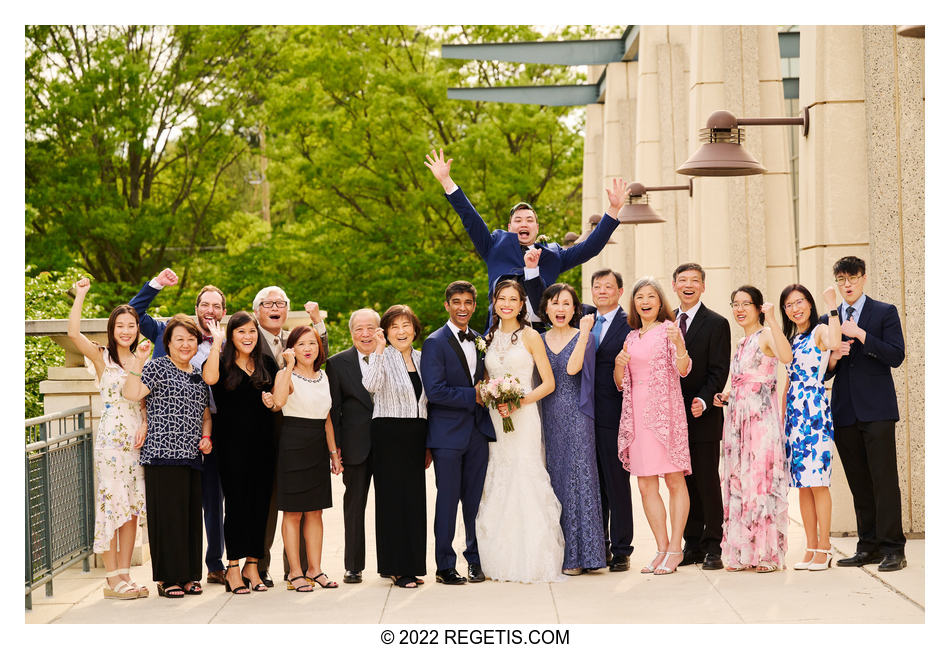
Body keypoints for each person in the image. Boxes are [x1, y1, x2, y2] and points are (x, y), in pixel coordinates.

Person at [424, 147, 627, 332]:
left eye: (529, 220)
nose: (524, 223)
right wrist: (446, 182)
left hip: (538, 336)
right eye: (518, 220)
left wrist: (613, 210)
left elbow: (589, 248)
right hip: (499, 333)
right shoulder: (494, 246)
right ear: (510, 227)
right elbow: (470, 218)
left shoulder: (553, 255)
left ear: (537, 228)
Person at [127, 268, 228, 585]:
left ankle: (212, 564)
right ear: (196, 306)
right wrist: (156, 283)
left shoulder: (226, 341)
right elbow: (134, 313)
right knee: (170, 509)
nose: (210, 310)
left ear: (223, 312)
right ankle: (169, 576)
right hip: (164, 440)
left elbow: (213, 384)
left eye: (216, 306)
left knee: (210, 502)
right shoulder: (165, 330)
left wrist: (208, 433)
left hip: (207, 431)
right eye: (205, 304)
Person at [475, 279, 565, 583]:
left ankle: (532, 557)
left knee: (524, 474)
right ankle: (497, 557)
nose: (507, 304)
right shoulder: (487, 337)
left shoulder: (531, 336)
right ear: (495, 303)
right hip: (495, 419)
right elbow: (485, 380)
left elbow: (548, 383)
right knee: (499, 476)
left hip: (523, 417)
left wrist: (519, 402)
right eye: (502, 298)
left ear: (522, 303)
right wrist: (489, 394)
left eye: (513, 299)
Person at [823, 257, 907, 572]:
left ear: (863, 278)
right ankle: (867, 546)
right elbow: (824, 374)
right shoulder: (827, 318)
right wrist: (832, 357)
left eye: (853, 278)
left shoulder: (884, 312)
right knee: (859, 483)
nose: (847, 284)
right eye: (841, 278)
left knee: (884, 481)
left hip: (878, 411)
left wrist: (861, 335)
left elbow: (896, 355)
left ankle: (893, 549)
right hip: (845, 412)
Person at [68, 278, 148, 599]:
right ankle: (111, 578)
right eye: (120, 326)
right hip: (111, 444)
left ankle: (125, 574)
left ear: (137, 329)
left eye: (131, 325)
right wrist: (81, 294)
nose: (126, 331)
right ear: (112, 329)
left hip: (135, 445)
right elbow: (73, 334)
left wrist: (144, 422)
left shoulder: (142, 357)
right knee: (111, 507)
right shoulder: (103, 357)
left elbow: (142, 400)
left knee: (130, 511)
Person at [122, 314, 212, 598]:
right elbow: (131, 393)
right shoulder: (157, 367)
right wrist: (138, 361)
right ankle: (166, 579)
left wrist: (206, 436)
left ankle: (187, 576)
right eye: (180, 340)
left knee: (188, 519)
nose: (186, 345)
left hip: (191, 456)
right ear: (169, 343)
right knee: (166, 518)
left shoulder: (199, 375)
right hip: (161, 454)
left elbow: (206, 415)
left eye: (191, 339)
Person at [614, 277, 691, 576]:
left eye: (650, 296)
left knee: (674, 480)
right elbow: (620, 383)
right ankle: (661, 547)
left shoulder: (669, 331)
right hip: (636, 417)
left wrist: (679, 343)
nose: (645, 301)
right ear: (634, 304)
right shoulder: (631, 337)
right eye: (639, 297)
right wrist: (619, 364)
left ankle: (675, 548)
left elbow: (684, 369)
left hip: (665, 416)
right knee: (646, 484)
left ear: (660, 301)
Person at [420, 281, 495, 586]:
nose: (462, 307)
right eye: (456, 302)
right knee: (448, 501)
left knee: (476, 502)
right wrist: (473, 396)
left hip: (477, 432)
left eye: (468, 302)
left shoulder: (480, 339)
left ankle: (475, 561)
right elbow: (435, 392)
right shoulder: (434, 342)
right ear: (447, 305)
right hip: (447, 436)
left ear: (474, 306)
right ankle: (444, 565)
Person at [713, 286, 792, 572]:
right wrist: (726, 396)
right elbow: (744, 383)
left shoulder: (766, 335)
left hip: (760, 424)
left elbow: (786, 356)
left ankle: (767, 554)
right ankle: (744, 551)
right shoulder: (741, 343)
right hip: (737, 422)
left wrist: (772, 319)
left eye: (746, 304)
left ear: (758, 307)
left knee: (761, 482)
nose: (740, 309)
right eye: (735, 304)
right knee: (739, 482)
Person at [253, 285, 328, 587]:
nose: (275, 308)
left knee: (303, 507)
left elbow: (317, 350)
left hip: (296, 435)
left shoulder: (293, 341)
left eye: (280, 303)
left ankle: (296, 569)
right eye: (268, 303)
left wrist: (316, 320)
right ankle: (258, 565)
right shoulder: (246, 336)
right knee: (268, 509)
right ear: (257, 309)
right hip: (260, 434)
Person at [202, 312, 278, 594]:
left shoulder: (266, 363)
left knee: (260, 505)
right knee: (236, 506)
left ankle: (252, 565)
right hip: (231, 446)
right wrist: (216, 342)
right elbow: (209, 378)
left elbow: (277, 399)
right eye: (241, 332)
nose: (248, 337)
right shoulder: (220, 363)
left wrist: (272, 402)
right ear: (231, 335)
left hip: (263, 444)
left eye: (252, 332)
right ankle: (232, 567)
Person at [538, 283, 605, 575]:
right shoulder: (537, 339)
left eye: (566, 303)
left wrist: (585, 333)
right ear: (546, 309)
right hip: (547, 415)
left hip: (578, 415)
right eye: (555, 303)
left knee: (580, 480)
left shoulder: (584, 337)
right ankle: (562, 552)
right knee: (556, 479)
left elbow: (572, 369)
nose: (560, 309)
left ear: (574, 308)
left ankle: (583, 556)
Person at [271, 326, 343, 591]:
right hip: (292, 443)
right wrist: (288, 366)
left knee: (315, 511)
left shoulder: (323, 376)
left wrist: (334, 453)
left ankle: (315, 569)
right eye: (301, 344)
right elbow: (278, 402)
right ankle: (295, 572)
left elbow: (326, 418)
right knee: (292, 513)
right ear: (292, 348)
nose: (308, 349)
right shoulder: (285, 374)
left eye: (312, 343)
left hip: (317, 445)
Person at [362, 305, 429, 589]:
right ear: (386, 332)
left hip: (416, 433)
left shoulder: (424, 358)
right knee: (392, 502)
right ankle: (395, 567)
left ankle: (413, 564)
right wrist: (378, 350)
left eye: (406, 325)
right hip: (389, 432)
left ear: (415, 328)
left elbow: (428, 400)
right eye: (394, 327)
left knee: (414, 502)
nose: (401, 331)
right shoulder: (379, 357)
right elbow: (370, 385)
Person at [670, 263, 731, 571]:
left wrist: (703, 400)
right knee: (684, 481)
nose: (689, 285)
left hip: (702, 415)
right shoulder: (666, 323)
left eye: (695, 280)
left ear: (703, 287)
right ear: (674, 285)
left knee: (707, 480)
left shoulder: (717, 323)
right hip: (671, 418)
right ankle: (691, 543)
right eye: (683, 280)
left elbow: (720, 370)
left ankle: (713, 545)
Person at [779, 283, 841, 571]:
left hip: (815, 412)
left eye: (799, 302)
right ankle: (810, 545)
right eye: (789, 305)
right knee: (802, 486)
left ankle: (825, 546)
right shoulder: (793, 339)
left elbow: (835, 342)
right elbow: (788, 382)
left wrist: (832, 308)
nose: (795, 308)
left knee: (818, 482)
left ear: (809, 304)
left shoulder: (819, 330)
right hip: (794, 415)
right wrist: (782, 421)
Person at [582, 269, 634, 571]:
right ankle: (597, 546)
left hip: (615, 412)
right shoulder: (584, 319)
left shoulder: (629, 324)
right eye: (597, 286)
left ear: (619, 290)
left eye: (608, 286)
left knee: (616, 481)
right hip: (584, 413)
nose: (602, 291)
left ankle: (622, 548)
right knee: (594, 482)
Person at [326, 308, 380, 584]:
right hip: (354, 447)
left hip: (387, 446)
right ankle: (353, 566)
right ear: (351, 333)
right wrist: (334, 451)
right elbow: (333, 412)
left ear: (379, 331)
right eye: (359, 328)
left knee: (388, 508)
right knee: (354, 507)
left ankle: (391, 564)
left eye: (371, 327)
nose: (365, 334)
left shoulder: (392, 358)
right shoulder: (337, 363)